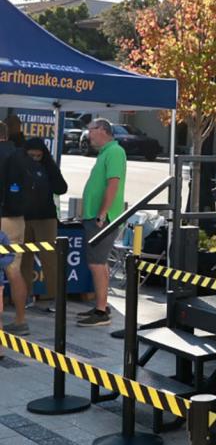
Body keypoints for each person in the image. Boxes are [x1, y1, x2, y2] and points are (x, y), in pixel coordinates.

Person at [78, 118, 126, 327]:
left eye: (90, 130)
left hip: (103, 219)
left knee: (96, 263)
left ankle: (100, 312)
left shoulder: (115, 152)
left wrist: (102, 213)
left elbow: (113, 184)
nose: (88, 134)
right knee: (100, 262)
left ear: (103, 130)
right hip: (98, 217)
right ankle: (102, 305)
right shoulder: (106, 152)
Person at [21, 139, 66, 313]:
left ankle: (56, 298)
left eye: (38, 156)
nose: (34, 159)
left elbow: (61, 188)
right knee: (24, 259)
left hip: (45, 218)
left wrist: (46, 175)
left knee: (50, 260)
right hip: (24, 218)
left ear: (43, 155)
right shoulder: (19, 167)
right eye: (31, 156)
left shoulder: (48, 166)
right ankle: (26, 295)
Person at [0, 124, 29, 333]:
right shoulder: (21, 155)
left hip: (1, 219)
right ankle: (20, 320)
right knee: (14, 271)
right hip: (18, 219)